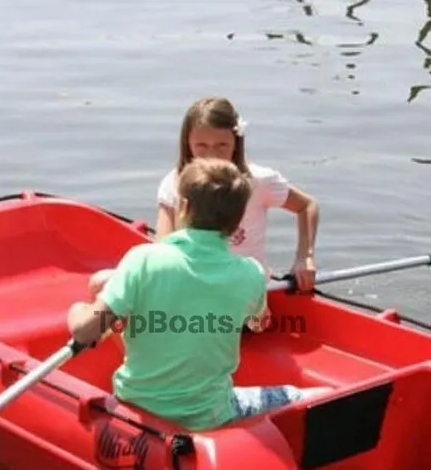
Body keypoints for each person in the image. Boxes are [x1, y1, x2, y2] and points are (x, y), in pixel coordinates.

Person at [67, 157, 332, 432]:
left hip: (137, 402)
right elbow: (257, 323)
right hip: (210, 413)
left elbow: (84, 332)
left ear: (184, 206)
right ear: (238, 219)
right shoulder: (251, 273)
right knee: (312, 395)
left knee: (133, 319)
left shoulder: (142, 259)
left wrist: (77, 310)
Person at [88, 96, 320, 332]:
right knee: (100, 283)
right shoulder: (174, 184)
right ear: (187, 143)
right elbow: (163, 248)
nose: (212, 156)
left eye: (222, 145)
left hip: (240, 292)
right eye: (201, 146)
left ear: (236, 142)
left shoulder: (258, 181)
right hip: (193, 287)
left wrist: (305, 257)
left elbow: (307, 205)